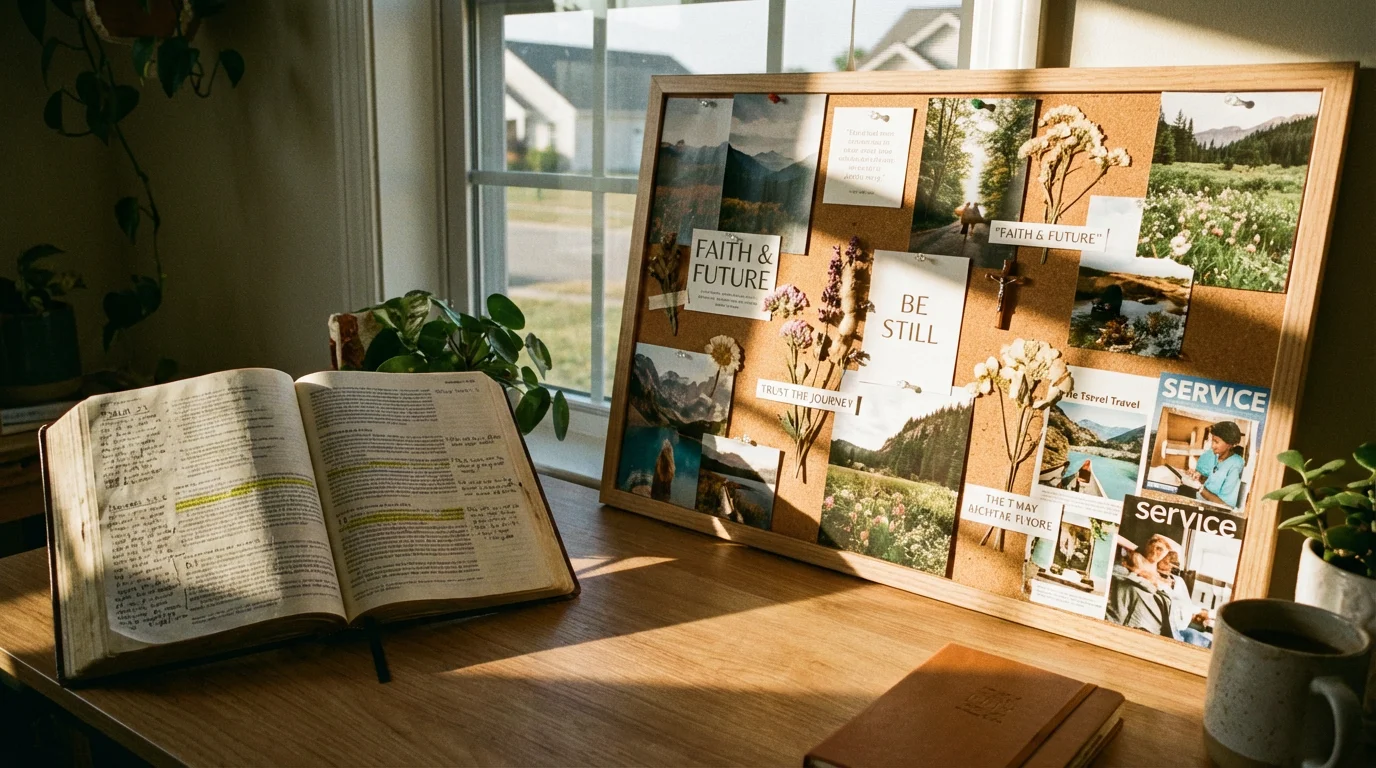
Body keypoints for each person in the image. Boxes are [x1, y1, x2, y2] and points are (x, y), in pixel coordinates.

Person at [1186, 421, 1246, 508]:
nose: (1212, 446)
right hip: (1199, 499)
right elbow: (1213, 481)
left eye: (1216, 442)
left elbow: (1226, 506)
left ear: (1229, 445)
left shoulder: (1235, 465)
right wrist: (1199, 477)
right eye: (1212, 441)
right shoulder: (1216, 456)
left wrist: (1200, 488)